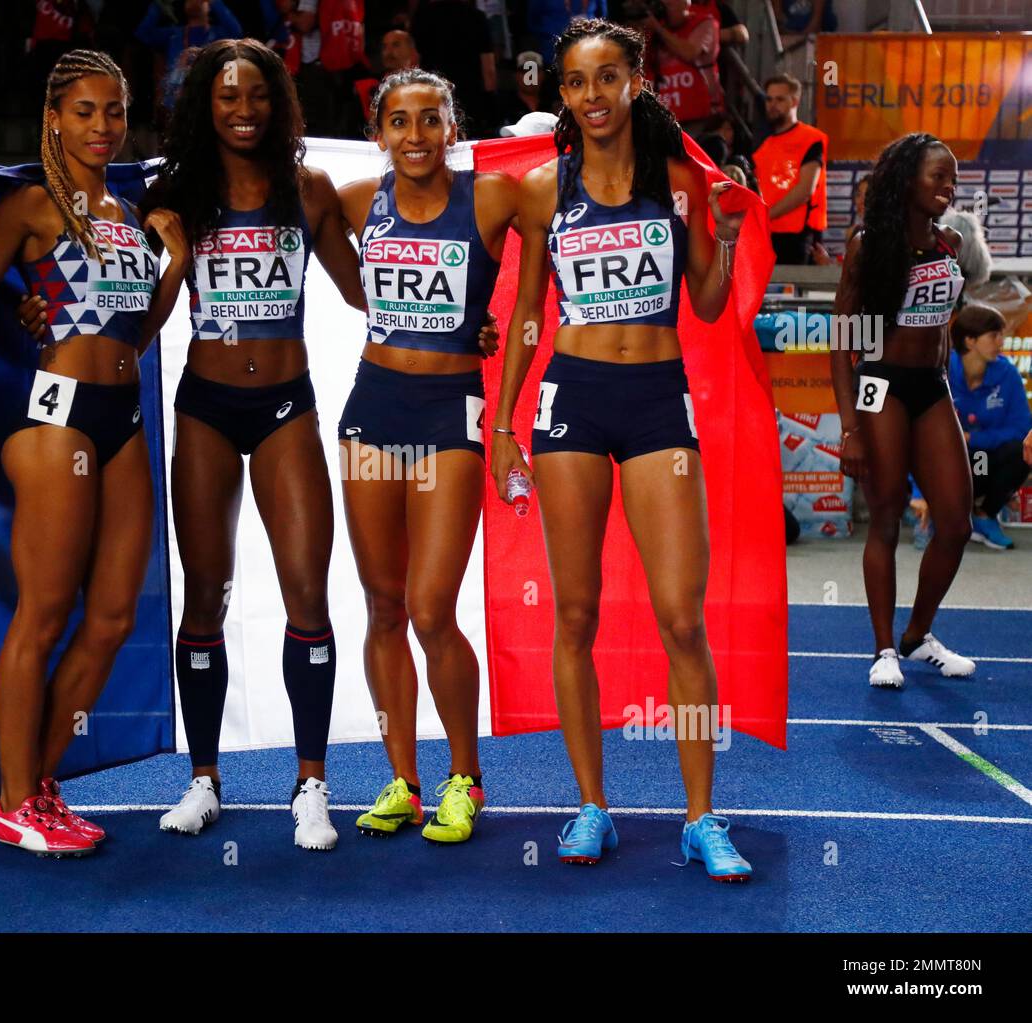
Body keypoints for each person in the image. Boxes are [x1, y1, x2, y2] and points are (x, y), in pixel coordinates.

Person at [0, 49, 190, 856]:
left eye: (115, 111)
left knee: (113, 617)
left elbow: (138, 332)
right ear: (54, 118)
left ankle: (40, 783)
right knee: (45, 614)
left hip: (124, 416)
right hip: (58, 418)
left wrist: (177, 263)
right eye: (86, 111)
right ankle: (9, 801)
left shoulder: (134, 217)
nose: (102, 126)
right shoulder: (33, 204)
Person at [491, 18, 752, 880]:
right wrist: (500, 427)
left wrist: (729, 230)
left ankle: (702, 817)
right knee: (574, 613)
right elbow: (530, 311)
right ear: (561, 94)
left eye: (609, 77)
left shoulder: (678, 178)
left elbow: (709, 305)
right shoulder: (539, 187)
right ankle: (592, 804)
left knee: (683, 615)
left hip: (655, 404)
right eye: (576, 81)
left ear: (638, 81)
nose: (593, 95)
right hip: (571, 402)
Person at [140, 39, 368, 852]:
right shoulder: (178, 192)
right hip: (203, 406)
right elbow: (150, 320)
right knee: (205, 596)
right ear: (206, 104)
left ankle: (312, 783)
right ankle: (203, 778)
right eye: (228, 98)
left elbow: (360, 288)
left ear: (278, 104)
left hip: (285, 407)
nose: (244, 111)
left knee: (308, 591)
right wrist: (167, 253)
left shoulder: (306, 190)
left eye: (258, 97)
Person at [337, 68, 516, 843]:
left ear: (453, 128)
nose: (414, 136)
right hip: (372, 409)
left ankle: (465, 777)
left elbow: (570, 175)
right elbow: (274, 198)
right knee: (382, 605)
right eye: (399, 122)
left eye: (430, 120)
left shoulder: (494, 196)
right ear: (379, 133)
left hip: (452, 414)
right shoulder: (352, 200)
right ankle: (403, 779)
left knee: (431, 607)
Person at [831, 132, 974, 690]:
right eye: (938, 175)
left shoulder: (951, 242)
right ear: (907, 180)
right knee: (886, 514)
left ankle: (918, 634)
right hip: (879, 386)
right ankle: (884, 647)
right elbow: (843, 338)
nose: (948, 186)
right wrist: (850, 428)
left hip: (933, 386)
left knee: (956, 522)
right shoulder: (868, 245)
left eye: (952, 178)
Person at [948, 303, 1031, 550]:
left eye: (1001, 335)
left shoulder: (1007, 373)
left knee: (1020, 451)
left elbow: (1022, 430)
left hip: (981, 460)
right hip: (945, 461)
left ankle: (984, 514)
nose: (1001, 342)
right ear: (970, 341)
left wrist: (972, 439)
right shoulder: (943, 370)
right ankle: (938, 511)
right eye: (994, 336)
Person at [753, 74, 826, 265]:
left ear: (795, 101)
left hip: (798, 237)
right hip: (766, 234)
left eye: (780, 99)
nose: (772, 104)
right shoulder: (763, 147)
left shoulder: (811, 138)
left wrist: (765, 216)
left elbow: (805, 191)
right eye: (769, 99)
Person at [410, 0, 497, 138]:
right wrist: (490, 104)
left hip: (432, 95)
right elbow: (489, 69)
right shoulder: (476, 17)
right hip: (471, 98)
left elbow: (414, 61)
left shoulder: (423, 16)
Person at [639, 0, 722, 137]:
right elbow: (636, 60)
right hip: (660, 116)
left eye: (670, 4)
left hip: (697, 117)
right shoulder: (651, 28)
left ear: (686, 4)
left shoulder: (704, 23)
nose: (665, 8)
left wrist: (659, 29)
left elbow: (689, 53)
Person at [293, 0, 368, 138]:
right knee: (339, 124)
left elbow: (305, 22)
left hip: (318, 65)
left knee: (318, 127)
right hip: (347, 62)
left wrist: (287, 13)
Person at [498, 48, 544, 132]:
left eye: (534, 71)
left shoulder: (554, 106)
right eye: (525, 71)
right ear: (516, 75)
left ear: (542, 75)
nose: (530, 77)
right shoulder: (503, 106)